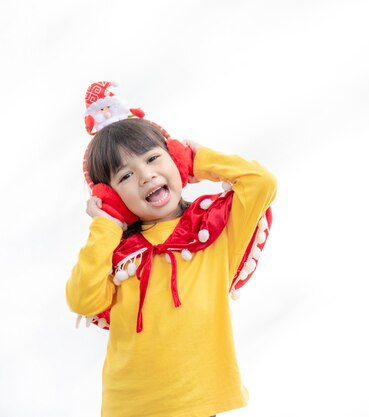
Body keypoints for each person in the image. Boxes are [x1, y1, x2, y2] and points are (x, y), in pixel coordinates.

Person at [66, 82, 277, 417]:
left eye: (153, 159)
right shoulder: (117, 256)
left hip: (197, 403)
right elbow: (82, 300)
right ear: (112, 199)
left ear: (176, 160)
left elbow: (261, 183)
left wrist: (199, 160)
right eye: (125, 177)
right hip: (128, 407)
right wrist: (106, 225)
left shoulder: (214, 232)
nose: (146, 176)